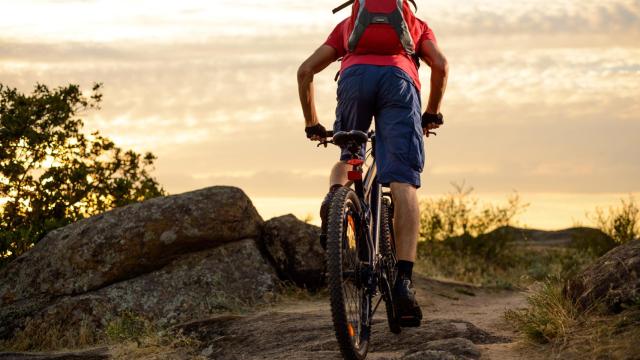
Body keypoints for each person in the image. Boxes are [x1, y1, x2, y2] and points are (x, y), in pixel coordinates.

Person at [297, 0, 448, 327]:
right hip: (399, 82)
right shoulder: (417, 26)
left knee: (350, 154)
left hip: (354, 79)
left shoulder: (347, 26)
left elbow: (305, 71)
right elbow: (441, 64)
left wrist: (312, 123)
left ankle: (336, 198)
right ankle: (404, 282)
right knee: (403, 182)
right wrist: (432, 112)